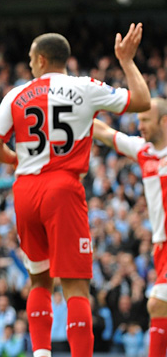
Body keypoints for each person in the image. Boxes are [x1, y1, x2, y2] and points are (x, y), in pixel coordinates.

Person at [0, 25, 151, 357]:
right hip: (63, 187)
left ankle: (42, 353)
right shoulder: (85, 87)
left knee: (39, 280)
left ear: (41, 60)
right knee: (75, 285)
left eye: (31, 60)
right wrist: (127, 62)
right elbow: (142, 100)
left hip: (26, 189)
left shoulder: (16, 94)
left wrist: (18, 159)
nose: (30, 66)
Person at [92, 97, 167, 357]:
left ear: (164, 121)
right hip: (161, 246)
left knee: (157, 303)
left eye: (146, 119)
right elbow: (106, 132)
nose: (140, 125)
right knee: (159, 307)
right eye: (138, 120)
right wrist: (74, 111)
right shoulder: (144, 151)